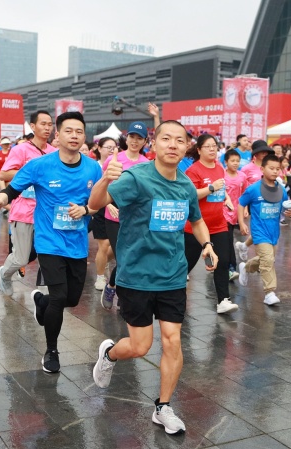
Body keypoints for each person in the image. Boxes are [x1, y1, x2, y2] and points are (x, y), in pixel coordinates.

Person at [89, 120, 217, 435]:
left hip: (173, 276)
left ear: (188, 146)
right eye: (166, 139)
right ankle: (109, 352)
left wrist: (207, 245)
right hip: (136, 276)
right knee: (140, 346)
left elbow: (196, 221)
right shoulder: (136, 178)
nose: (173, 145)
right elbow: (94, 205)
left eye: (180, 140)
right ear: (154, 144)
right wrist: (106, 180)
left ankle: (163, 407)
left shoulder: (186, 185)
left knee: (173, 341)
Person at [0, 111, 101, 373]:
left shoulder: (93, 167)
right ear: (57, 135)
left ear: (84, 137)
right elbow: (12, 189)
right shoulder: (40, 165)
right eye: (68, 131)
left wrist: (86, 210)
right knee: (60, 297)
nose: (74, 136)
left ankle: (42, 302)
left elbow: (98, 202)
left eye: (79, 132)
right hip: (49, 241)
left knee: (71, 299)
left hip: (77, 242)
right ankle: (51, 350)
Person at [0, 111, 57, 296]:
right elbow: (4, 174)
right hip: (23, 211)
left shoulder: (54, 153)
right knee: (21, 258)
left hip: (47, 212)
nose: (47, 128)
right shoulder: (20, 150)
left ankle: (45, 295)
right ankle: (5, 274)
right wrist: (32, 172)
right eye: (43, 124)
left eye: (50, 124)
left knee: (48, 255)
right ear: (32, 126)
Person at [183, 134, 238, 314]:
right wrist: (211, 188)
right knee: (186, 264)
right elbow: (191, 195)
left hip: (218, 224)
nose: (213, 149)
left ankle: (223, 300)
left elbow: (221, 189)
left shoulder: (219, 167)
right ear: (199, 150)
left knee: (222, 260)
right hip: (196, 226)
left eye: (214, 146)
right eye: (208, 146)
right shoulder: (193, 170)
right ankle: (173, 289)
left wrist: (226, 198)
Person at [99, 121, 150, 309]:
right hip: (113, 217)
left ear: (145, 141)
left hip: (135, 218)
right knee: (123, 257)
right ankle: (118, 291)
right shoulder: (114, 159)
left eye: (139, 138)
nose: (135, 141)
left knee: (131, 258)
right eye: (132, 137)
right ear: (126, 138)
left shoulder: (147, 165)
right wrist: (109, 203)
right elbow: (101, 187)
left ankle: (114, 286)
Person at [236, 154, 291, 306]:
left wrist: (288, 213)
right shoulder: (253, 189)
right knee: (268, 261)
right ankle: (269, 292)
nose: (275, 172)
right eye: (271, 168)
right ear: (262, 169)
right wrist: (242, 223)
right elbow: (241, 204)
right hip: (259, 232)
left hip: (274, 232)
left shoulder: (281, 190)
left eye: (278, 169)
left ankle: (246, 267)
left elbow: (285, 209)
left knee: (266, 260)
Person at [90, 137, 118, 291]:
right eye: (108, 147)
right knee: (104, 244)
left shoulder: (119, 164)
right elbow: (94, 190)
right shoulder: (94, 167)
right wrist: (106, 204)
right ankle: (100, 277)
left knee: (116, 246)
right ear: (99, 148)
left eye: (114, 147)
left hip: (117, 205)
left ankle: (104, 261)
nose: (111, 150)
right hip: (100, 205)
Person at [223, 149, 247, 280]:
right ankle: (231, 268)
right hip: (222, 212)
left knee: (227, 240)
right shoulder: (221, 175)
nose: (235, 163)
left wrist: (245, 208)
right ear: (226, 162)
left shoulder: (242, 176)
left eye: (237, 161)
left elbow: (244, 194)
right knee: (227, 240)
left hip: (235, 212)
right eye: (232, 161)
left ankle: (223, 265)